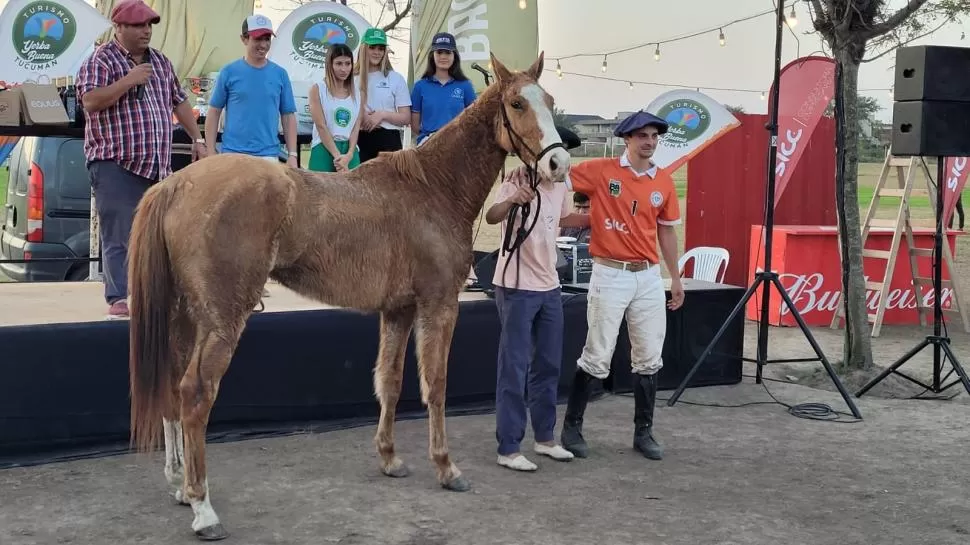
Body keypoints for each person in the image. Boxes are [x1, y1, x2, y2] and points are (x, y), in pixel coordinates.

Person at [559, 110, 685, 461]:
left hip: (647, 275)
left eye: (654, 136)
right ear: (627, 139)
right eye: (642, 136)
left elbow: (667, 230)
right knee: (597, 353)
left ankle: (643, 432)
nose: (649, 142)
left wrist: (674, 278)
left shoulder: (664, 181)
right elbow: (558, 177)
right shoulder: (602, 170)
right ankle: (572, 428)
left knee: (649, 357)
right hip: (609, 272)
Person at [76, 0, 206, 319]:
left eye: (149, 25)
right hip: (114, 162)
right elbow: (90, 101)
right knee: (120, 230)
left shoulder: (160, 62)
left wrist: (199, 139)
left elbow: (179, 101)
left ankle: (157, 296)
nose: (145, 30)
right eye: (137, 25)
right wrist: (128, 81)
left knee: (160, 233)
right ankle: (118, 296)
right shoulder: (101, 60)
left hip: (156, 167)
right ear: (118, 27)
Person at [484, 129, 589, 472]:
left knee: (548, 364)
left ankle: (545, 438)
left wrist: (600, 218)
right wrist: (513, 199)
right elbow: (492, 216)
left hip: (549, 286)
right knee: (513, 367)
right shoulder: (516, 182)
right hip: (516, 285)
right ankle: (509, 446)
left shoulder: (561, 187)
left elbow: (561, 219)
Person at [205, 15, 299, 168]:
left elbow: (288, 116)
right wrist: (210, 151)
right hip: (233, 155)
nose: (263, 44)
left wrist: (293, 155)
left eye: (267, 39)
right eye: (258, 39)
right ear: (244, 39)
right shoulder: (228, 72)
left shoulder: (280, 74)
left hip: (268, 157)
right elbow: (214, 111)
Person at [355, 28, 411, 162]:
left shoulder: (396, 78)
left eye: (381, 48)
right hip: (358, 138)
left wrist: (381, 115)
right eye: (372, 47)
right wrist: (362, 115)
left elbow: (406, 117)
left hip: (389, 140)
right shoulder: (351, 78)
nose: (377, 52)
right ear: (364, 49)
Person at [409, 32, 476, 146]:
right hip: (427, 145)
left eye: (448, 52)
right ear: (432, 55)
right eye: (439, 52)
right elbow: (415, 125)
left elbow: (474, 119)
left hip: (458, 144)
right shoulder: (420, 86)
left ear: (454, 56)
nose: (443, 57)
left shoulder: (465, 85)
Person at [308, 43, 363, 172]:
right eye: (339, 64)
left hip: (350, 152)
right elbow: (321, 125)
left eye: (348, 63)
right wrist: (338, 158)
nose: (344, 69)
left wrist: (349, 154)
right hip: (323, 148)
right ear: (330, 64)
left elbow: (356, 126)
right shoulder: (317, 89)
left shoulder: (358, 93)